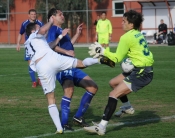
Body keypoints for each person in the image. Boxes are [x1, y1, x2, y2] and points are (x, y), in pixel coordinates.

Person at [24, 16, 115, 134]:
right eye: (59, 14)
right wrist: (50, 22)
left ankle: (59, 128)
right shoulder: (38, 33)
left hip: (42, 66)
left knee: (51, 99)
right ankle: (98, 60)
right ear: (32, 31)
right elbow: (44, 34)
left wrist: (66, 36)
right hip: (52, 58)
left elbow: (55, 45)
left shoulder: (28, 42)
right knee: (80, 67)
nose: (40, 28)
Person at [84, 10, 154, 135]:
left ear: (131, 25)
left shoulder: (126, 37)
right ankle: (127, 106)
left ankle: (102, 127)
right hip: (142, 68)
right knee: (113, 83)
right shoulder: (138, 33)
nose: (121, 23)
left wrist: (103, 51)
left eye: (124, 21)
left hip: (142, 72)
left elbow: (116, 58)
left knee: (113, 94)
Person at [47, 8, 98, 131]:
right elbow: (50, 46)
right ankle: (64, 124)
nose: (62, 16)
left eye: (62, 14)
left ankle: (78, 117)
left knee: (92, 87)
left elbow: (68, 45)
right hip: (62, 65)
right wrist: (66, 51)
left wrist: (77, 34)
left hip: (72, 65)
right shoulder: (53, 29)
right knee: (69, 90)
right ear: (53, 17)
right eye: (60, 14)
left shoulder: (61, 30)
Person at [16, 9, 43, 88]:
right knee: (31, 64)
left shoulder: (40, 23)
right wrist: (18, 44)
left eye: (34, 14)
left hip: (38, 46)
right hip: (29, 47)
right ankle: (34, 81)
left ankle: (40, 79)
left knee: (39, 63)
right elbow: (20, 34)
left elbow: (45, 32)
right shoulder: (25, 24)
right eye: (32, 14)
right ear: (29, 15)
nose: (33, 15)